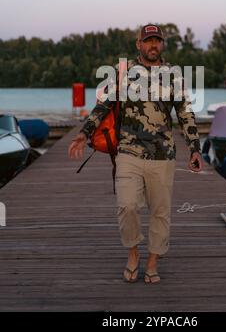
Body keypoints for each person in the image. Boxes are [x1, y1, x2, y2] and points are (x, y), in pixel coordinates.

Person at [68, 24, 204, 284]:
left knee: (160, 212)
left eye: (157, 40)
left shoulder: (174, 75)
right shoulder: (123, 73)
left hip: (163, 155)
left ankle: (152, 261)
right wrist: (85, 133)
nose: (153, 45)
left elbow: (185, 113)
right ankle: (133, 254)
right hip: (128, 151)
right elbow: (103, 105)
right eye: (148, 40)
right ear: (138, 45)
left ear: (162, 44)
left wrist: (195, 148)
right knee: (127, 206)